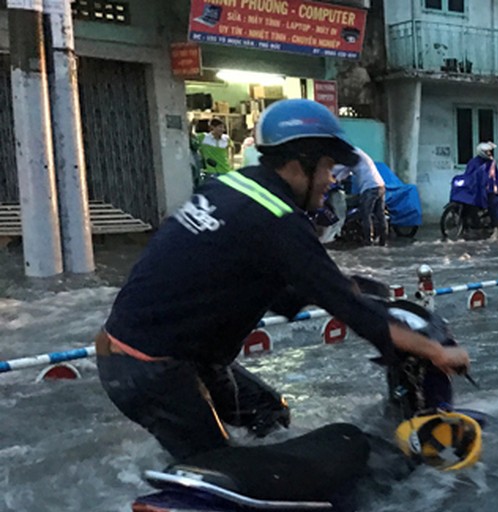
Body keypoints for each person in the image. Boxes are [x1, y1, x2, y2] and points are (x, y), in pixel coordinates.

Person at [95, 98, 470, 461]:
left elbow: (271, 285)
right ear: (297, 164)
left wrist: (347, 288)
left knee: (268, 416)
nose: (330, 181)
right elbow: (351, 311)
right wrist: (436, 352)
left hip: (157, 355)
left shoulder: (231, 188)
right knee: (217, 472)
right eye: (325, 168)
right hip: (151, 368)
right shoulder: (276, 219)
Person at [333, 146, 387, 245]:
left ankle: (368, 241)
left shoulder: (352, 155)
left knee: (366, 215)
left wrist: (331, 175)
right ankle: (383, 241)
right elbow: (346, 170)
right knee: (380, 214)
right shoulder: (359, 154)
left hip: (369, 187)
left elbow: (340, 169)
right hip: (381, 185)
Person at [453, 141, 498, 237]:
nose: (489, 154)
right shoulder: (473, 162)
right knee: (467, 202)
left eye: (490, 152)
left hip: (489, 189)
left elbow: (495, 177)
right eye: (487, 152)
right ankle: (469, 225)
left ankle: (496, 229)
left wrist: (492, 186)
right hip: (476, 189)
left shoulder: (491, 163)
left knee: (493, 204)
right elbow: (468, 175)